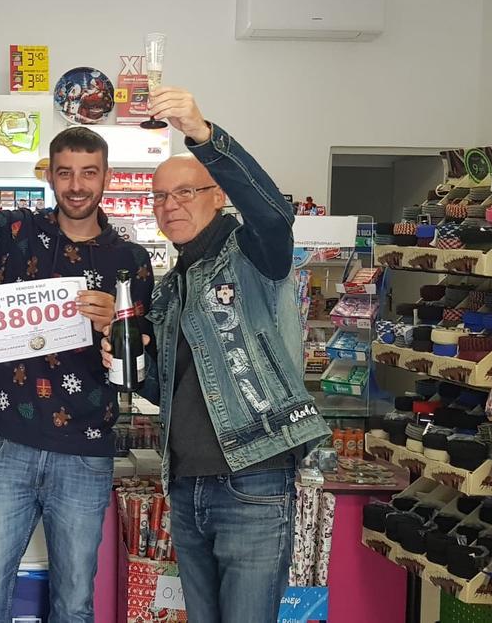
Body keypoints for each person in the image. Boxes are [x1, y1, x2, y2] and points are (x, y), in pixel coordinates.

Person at [103, 87, 330, 623]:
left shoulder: (254, 254)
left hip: (252, 477)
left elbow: (274, 215)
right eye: (159, 197)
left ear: (219, 193)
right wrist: (124, 356)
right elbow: (164, 389)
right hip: (185, 485)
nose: (170, 206)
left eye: (185, 193)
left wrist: (203, 134)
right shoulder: (167, 287)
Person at [0, 104, 154, 622]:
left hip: (87, 451)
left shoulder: (131, 261)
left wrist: (120, 329)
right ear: (51, 175)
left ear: (105, 177)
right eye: (66, 173)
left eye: (88, 173)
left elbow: (141, 359)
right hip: (11, 439)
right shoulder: (20, 233)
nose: (77, 186)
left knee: (74, 600)